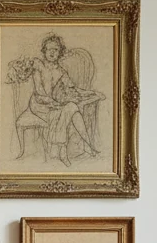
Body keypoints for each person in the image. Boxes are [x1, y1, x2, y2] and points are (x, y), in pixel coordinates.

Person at [19, 34, 103, 167]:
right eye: (49, 49)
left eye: (56, 49)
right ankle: (68, 151)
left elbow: (74, 90)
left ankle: (85, 145)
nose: (52, 52)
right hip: (39, 105)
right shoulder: (38, 65)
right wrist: (53, 103)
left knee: (72, 107)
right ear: (44, 51)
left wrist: (93, 93)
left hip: (53, 105)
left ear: (60, 52)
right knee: (64, 111)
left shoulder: (62, 72)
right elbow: (39, 92)